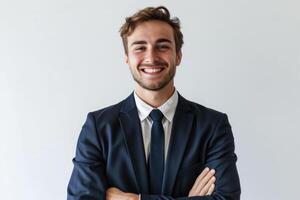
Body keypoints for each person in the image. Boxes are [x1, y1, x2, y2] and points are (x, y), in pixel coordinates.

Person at [67, 6, 241, 200]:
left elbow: (226, 198)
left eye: (163, 46)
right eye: (140, 47)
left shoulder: (212, 126)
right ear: (127, 58)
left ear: (178, 56)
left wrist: (135, 199)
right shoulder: (98, 127)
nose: (151, 57)